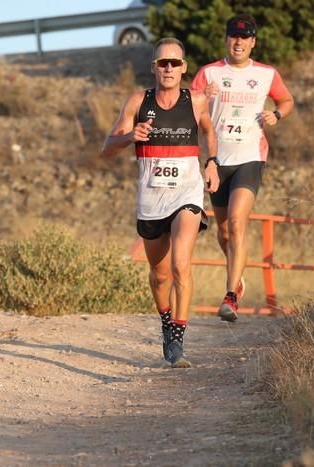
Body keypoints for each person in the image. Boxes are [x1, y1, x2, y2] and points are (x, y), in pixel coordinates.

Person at [101, 37, 219, 368]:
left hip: (187, 194)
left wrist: (212, 163)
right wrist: (129, 137)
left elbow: (209, 132)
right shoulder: (138, 101)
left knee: (181, 263)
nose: (168, 68)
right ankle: (166, 321)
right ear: (154, 67)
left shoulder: (195, 101)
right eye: (162, 63)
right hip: (152, 200)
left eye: (175, 63)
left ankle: (179, 337)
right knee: (159, 273)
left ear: (184, 68)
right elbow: (106, 147)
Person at [190, 14, 294, 322]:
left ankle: (230, 296)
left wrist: (277, 114)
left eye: (244, 37)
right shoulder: (209, 73)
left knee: (236, 222)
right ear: (226, 40)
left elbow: (287, 100)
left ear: (253, 42)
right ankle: (238, 274)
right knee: (223, 231)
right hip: (217, 160)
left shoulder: (266, 74)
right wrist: (199, 98)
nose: (238, 42)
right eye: (233, 37)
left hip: (251, 156)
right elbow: (188, 107)